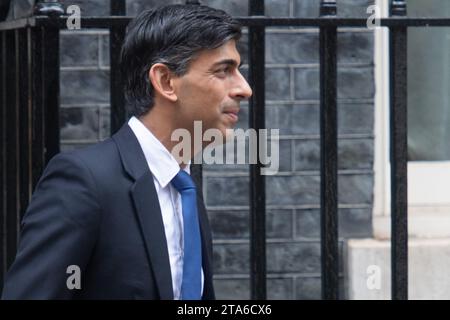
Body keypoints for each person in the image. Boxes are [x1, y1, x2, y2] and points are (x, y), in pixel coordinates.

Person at [1, 4, 252, 299]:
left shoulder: (183, 187)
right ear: (165, 81)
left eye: (239, 70)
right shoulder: (84, 181)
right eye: (223, 71)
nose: (244, 89)